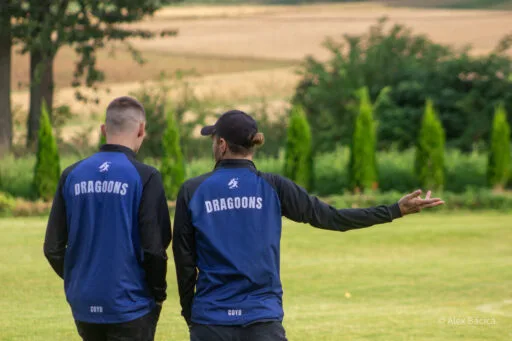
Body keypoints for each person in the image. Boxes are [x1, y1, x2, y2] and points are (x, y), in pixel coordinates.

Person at [172, 109, 444, 341]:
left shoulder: (192, 190)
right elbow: (333, 218)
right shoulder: (273, 187)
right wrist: (394, 210)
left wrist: (191, 314)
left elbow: (184, 261)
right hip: (262, 320)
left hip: (210, 320)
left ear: (221, 144)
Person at [44, 96, 171, 341]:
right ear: (141, 129)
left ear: (104, 129)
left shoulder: (71, 174)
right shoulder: (146, 176)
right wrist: (158, 293)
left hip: (84, 303)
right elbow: (155, 248)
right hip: (131, 305)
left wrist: (80, 277)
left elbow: (53, 248)